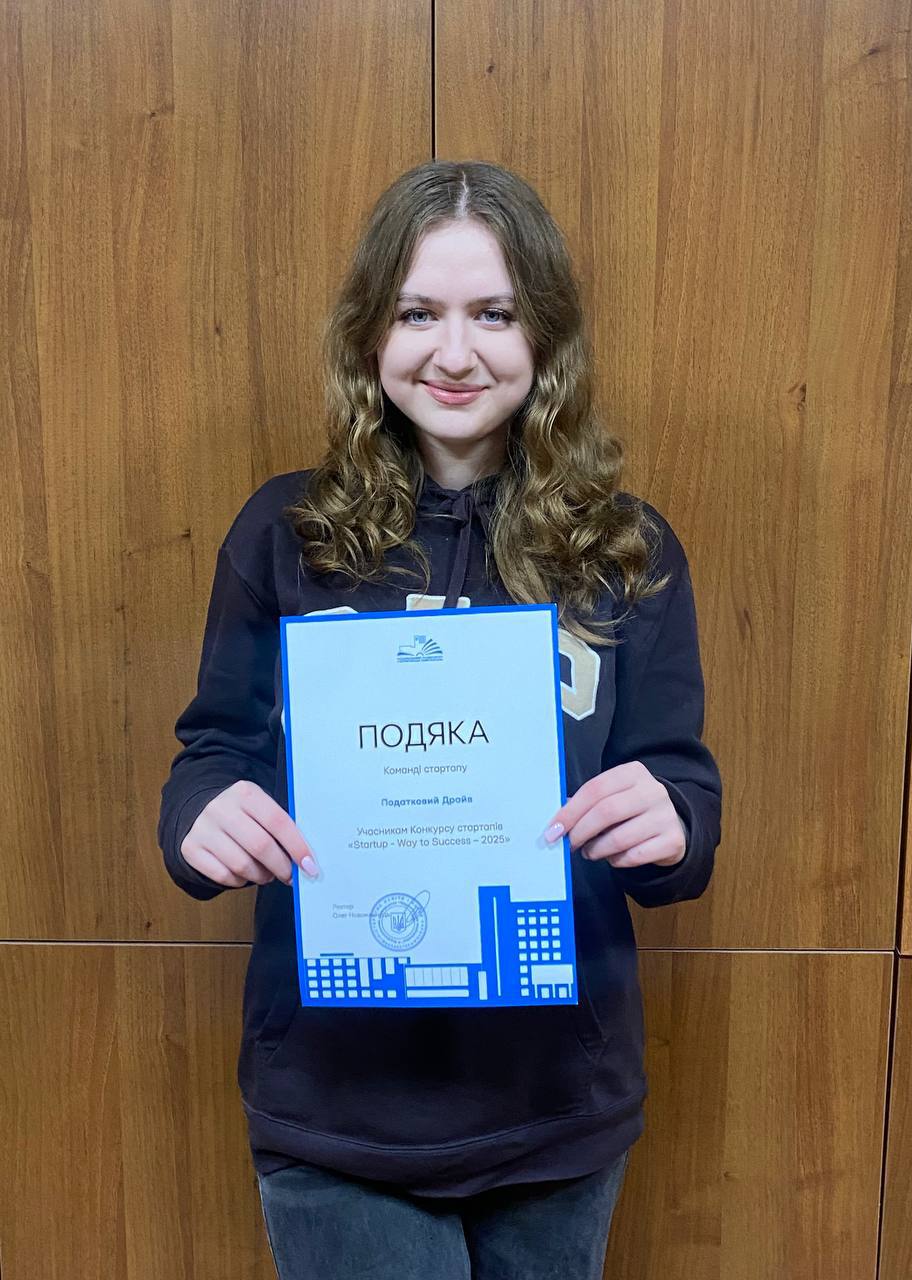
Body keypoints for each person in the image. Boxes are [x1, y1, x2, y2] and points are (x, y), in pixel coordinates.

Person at [158, 159, 722, 1280]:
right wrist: (202, 816)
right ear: (371, 331)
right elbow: (212, 750)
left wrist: (672, 822)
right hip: (336, 1109)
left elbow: (682, 788)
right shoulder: (284, 534)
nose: (454, 353)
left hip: (555, 1106)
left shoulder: (626, 550)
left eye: (493, 314)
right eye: (418, 313)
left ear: (543, 334)